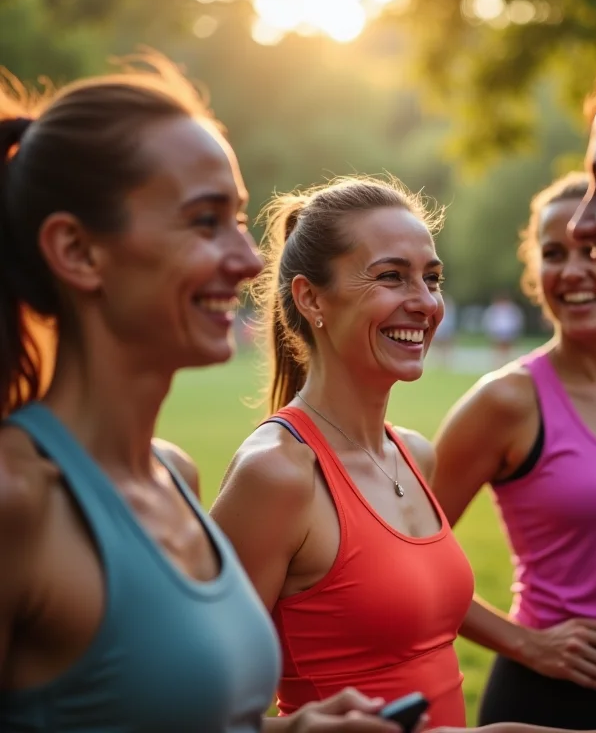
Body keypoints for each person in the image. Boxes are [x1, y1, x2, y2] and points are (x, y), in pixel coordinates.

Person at [0, 57, 410, 733]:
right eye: (204, 222)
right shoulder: (20, 501)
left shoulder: (174, 475)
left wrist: (292, 728)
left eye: (240, 219)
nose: (250, 261)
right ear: (77, 251)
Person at [430, 172, 596, 729]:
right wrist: (526, 644)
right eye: (554, 254)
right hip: (551, 696)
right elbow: (408, 557)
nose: (574, 270)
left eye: (593, 250)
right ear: (535, 275)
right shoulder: (505, 402)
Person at [211, 178, 475, 728]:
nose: (425, 303)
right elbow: (193, 710)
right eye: (390, 277)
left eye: (431, 278)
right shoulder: (279, 475)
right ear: (310, 298)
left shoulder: (415, 456)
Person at [482, 292, 524, 368]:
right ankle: (498, 365)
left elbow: (517, 320)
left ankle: (508, 365)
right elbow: (489, 320)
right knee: (498, 351)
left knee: (508, 351)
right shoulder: (494, 309)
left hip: (509, 331)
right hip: (498, 332)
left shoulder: (512, 309)